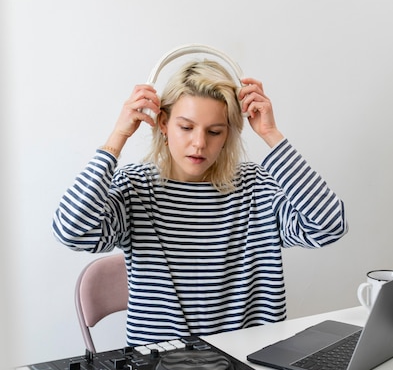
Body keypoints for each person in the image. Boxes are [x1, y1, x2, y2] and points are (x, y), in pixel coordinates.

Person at [52, 58, 347, 346]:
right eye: (186, 127)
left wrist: (271, 135)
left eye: (214, 131)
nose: (199, 143)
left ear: (228, 134)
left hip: (249, 367)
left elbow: (329, 226)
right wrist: (117, 136)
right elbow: (72, 231)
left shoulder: (256, 186)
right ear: (164, 124)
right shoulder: (135, 188)